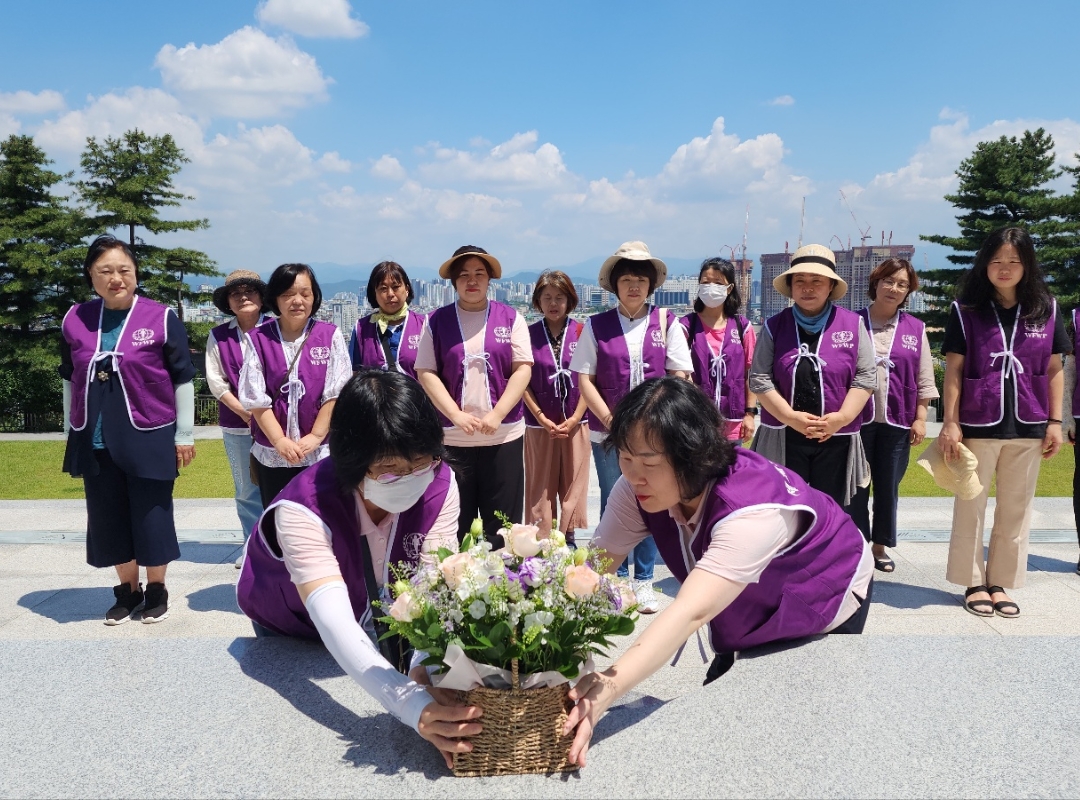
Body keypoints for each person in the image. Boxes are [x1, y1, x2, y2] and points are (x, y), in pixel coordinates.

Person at [562, 377, 873, 767]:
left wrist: (607, 689)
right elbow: (590, 573)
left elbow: (689, 612)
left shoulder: (751, 511)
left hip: (828, 587)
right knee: (731, 700)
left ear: (692, 455)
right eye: (625, 457)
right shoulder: (636, 490)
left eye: (649, 462)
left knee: (797, 720)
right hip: (750, 597)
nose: (633, 475)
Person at [237, 369, 480, 767]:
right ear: (351, 459)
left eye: (421, 461)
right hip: (295, 626)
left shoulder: (440, 483)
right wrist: (411, 705)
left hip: (374, 613)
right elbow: (335, 624)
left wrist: (422, 670)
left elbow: (431, 591)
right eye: (388, 469)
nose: (410, 478)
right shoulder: (303, 509)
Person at [59, 235, 197, 624]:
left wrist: (184, 433)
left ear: (136, 274)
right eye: (105, 271)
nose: (115, 278)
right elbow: (69, 377)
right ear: (91, 275)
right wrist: (73, 426)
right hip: (95, 435)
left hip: (149, 430)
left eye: (124, 270)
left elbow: (183, 378)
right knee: (107, 515)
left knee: (152, 513)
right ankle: (126, 591)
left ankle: (156, 589)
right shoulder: (75, 319)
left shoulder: (160, 317)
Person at [938, 227, 1068, 618]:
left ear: (1027, 265)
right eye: (997, 261)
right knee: (970, 506)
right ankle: (973, 581)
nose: (1005, 268)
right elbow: (954, 369)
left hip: (1029, 422)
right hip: (978, 423)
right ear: (985, 265)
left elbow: (1055, 367)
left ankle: (1000, 582)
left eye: (1014, 261)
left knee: (1016, 508)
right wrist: (950, 422)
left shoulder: (1047, 308)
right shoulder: (966, 309)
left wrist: (1055, 421)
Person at [569, 241, 693, 613]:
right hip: (609, 433)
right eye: (627, 280)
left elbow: (680, 375)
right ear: (615, 285)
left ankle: (643, 580)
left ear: (651, 285)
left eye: (641, 280)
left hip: (656, 435)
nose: (634, 286)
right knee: (615, 499)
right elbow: (585, 379)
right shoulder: (596, 326)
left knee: (655, 498)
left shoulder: (667, 322)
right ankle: (614, 578)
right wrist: (611, 420)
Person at [414, 245, 532, 545]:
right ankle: (455, 588)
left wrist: (497, 415)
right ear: (454, 281)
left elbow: (522, 369)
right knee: (454, 524)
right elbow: (426, 372)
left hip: (502, 436)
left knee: (503, 526)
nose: (472, 280)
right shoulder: (436, 321)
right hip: (453, 438)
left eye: (479, 273)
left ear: (490, 279)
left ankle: (504, 587)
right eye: (464, 274)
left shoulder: (511, 318)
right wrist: (454, 415)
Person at [749, 243, 876, 508]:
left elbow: (865, 376)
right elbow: (760, 377)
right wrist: (790, 417)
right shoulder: (774, 326)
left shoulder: (853, 324)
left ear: (830, 286)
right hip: (784, 434)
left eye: (817, 281)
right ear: (791, 286)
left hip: (836, 435)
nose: (808, 288)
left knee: (831, 508)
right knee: (785, 509)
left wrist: (841, 419)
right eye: (800, 281)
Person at [849, 259, 938, 572]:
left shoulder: (915, 328)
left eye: (902, 284)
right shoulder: (851, 322)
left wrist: (921, 417)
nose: (894, 288)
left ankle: (880, 546)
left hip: (898, 420)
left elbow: (924, 376)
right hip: (855, 422)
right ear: (876, 283)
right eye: (889, 281)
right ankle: (855, 545)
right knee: (856, 487)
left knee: (889, 487)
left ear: (908, 292)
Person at [239, 263, 351, 508]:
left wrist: (316, 436)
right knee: (278, 516)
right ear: (275, 299)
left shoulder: (329, 335)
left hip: (319, 451)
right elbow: (256, 399)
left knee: (322, 515)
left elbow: (336, 393)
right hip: (273, 453)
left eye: (305, 293)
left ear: (314, 297)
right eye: (288, 294)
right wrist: (280, 441)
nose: (297, 301)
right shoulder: (258, 339)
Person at [206, 270, 272, 567]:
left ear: (262, 297)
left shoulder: (277, 329)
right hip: (238, 426)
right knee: (246, 489)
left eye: (250, 291)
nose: (243, 297)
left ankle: (280, 543)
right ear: (228, 303)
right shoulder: (219, 336)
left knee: (279, 485)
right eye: (236, 293)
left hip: (278, 426)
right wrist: (247, 413)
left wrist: (264, 416)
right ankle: (251, 544)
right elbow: (217, 383)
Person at [520, 271, 590, 547]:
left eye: (559, 297)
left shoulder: (583, 332)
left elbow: (589, 378)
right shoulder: (528, 334)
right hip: (540, 423)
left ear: (570, 299)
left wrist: (574, 417)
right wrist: (539, 415)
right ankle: (541, 540)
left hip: (577, 421)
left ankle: (569, 536)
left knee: (574, 481)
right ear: (538, 301)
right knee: (540, 484)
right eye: (547, 297)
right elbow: (521, 380)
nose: (553, 303)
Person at [679, 257, 757, 442]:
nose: (711, 287)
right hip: (695, 422)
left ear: (729, 288)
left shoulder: (742, 327)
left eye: (718, 282)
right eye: (706, 282)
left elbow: (751, 373)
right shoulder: (686, 326)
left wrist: (750, 414)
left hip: (733, 421)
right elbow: (678, 373)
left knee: (731, 471)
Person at [349, 260, 426, 378]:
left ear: (407, 289)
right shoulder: (361, 328)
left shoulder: (424, 325)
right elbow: (354, 375)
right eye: (383, 288)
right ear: (374, 293)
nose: (390, 294)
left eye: (395, 287)